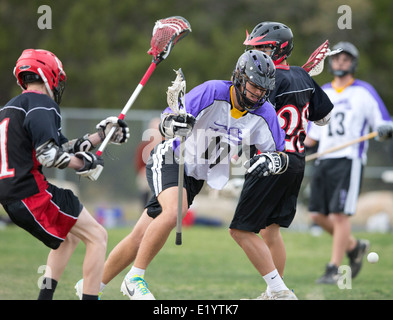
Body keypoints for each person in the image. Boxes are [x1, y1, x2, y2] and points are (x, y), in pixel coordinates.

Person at [76, 50, 287, 300]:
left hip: (196, 175)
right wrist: (175, 124)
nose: (258, 93)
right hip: (171, 157)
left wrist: (272, 161)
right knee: (176, 210)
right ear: (240, 78)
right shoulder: (212, 92)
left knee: (140, 236)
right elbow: (166, 120)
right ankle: (134, 278)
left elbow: (281, 155)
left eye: (263, 89)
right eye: (253, 85)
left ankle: (89, 288)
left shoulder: (264, 113)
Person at [0, 48, 129, 300]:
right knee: (97, 236)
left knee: (69, 237)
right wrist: (83, 164)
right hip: (31, 193)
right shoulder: (42, 104)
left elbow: (61, 147)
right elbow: (49, 155)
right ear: (49, 75)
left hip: (13, 196)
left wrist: (102, 136)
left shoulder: (12, 107)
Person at [229, 21, 333, 300]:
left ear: (277, 49)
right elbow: (323, 119)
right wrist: (304, 84)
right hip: (296, 162)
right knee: (270, 231)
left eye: (261, 48)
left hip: (271, 162)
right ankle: (275, 292)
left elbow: (248, 114)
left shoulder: (268, 82)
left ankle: (281, 292)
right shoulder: (301, 76)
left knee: (240, 230)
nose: (256, 56)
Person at [304, 41, 393, 284]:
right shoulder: (323, 92)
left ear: (353, 62)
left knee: (339, 214)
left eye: (345, 58)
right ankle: (354, 247)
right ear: (330, 62)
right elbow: (312, 135)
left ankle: (334, 268)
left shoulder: (364, 91)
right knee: (316, 215)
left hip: (349, 159)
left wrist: (386, 129)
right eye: (336, 58)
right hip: (324, 159)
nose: (340, 62)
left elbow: (383, 124)